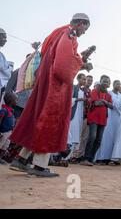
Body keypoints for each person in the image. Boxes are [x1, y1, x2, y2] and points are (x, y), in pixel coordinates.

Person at [9, 13, 93, 177]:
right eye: (85, 28)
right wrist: (82, 64)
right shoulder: (69, 34)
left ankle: (21, 159)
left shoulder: (56, 33)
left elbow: (58, 57)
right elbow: (63, 66)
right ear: (81, 23)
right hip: (55, 86)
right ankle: (40, 166)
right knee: (49, 121)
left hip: (45, 81)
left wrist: (79, 59)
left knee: (38, 119)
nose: (84, 32)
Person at [80, 75, 113, 166]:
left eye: (107, 82)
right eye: (104, 81)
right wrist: (106, 103)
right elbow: (96, 103)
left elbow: (112, 106)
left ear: (109, 84)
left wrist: (104, 102)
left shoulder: (109, 95)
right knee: (92, 137)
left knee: (99, 140)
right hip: (93, 118)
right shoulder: (94, 91)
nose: (105, 83)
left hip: (103, 120)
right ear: (100, 81)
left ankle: (90, 159)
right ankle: (85, 158)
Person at [96, 80, 121, 163]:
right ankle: (101, 158)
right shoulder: (109, 93)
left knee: (114, 139)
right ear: (113, 85)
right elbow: (110, 104)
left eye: (119, 84)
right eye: (117, 84)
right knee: (106, 138)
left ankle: (111, 158)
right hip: (109, 117)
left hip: (117, 119)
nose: (118, 85)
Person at [66, 73, 87, 161]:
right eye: (83, 79)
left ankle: (69, 156)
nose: (84, 81)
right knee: (69, 135)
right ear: (78, 79)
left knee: (75, 136)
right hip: (72, 115)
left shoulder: (83, 91)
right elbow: (67, 99)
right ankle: (63, 156)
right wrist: (78, 99)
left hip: (79, 116)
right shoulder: (73, 88)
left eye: (85, 80)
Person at [0, 91, 17, 164]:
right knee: (1, 144)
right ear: (11, 101)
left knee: (5, 145)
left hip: (9, 132)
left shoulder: (11, 111)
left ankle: (0, 158)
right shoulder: (4, 110)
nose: (16, 101)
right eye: (15, 100)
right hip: (3, 132)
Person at [0, 28, 13, 100]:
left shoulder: (2, 56)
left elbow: (8, 74)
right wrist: (8, 68)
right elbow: (4, 69)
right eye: (4, 37)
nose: (5, 40)